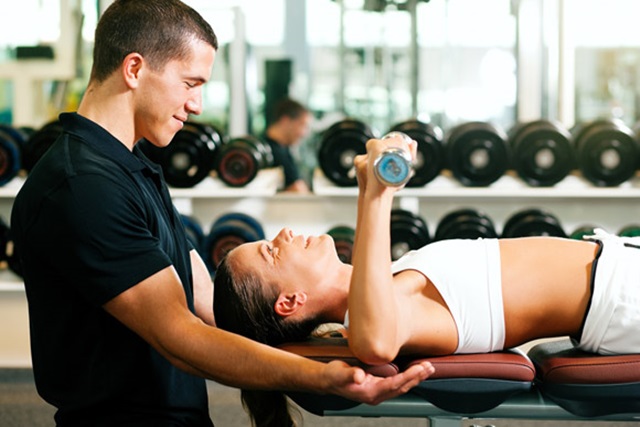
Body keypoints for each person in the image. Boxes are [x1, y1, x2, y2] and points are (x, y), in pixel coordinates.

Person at [9, 1, 434, 426]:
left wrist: (328, 326)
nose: (196, 104)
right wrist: (320, 377)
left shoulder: (128, 166)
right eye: (190, 83)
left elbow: (205, 299)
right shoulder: (82, 185)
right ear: (134, 69)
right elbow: (180, 335)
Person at [213, 132, 640, 421]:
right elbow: (375, 341)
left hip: (621, 269)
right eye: (272, 251)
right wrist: (380, 193)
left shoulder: (389, 283)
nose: (284, 234)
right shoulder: (384, 317)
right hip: (622, 296)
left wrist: (369, 181)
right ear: (290, 302)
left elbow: (370, 275)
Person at [263, 97, 313, 193]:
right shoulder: (274, 153)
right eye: (302, 125)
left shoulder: (283, 149)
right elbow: (298, 191)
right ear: (285, 121)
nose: (304, 133)